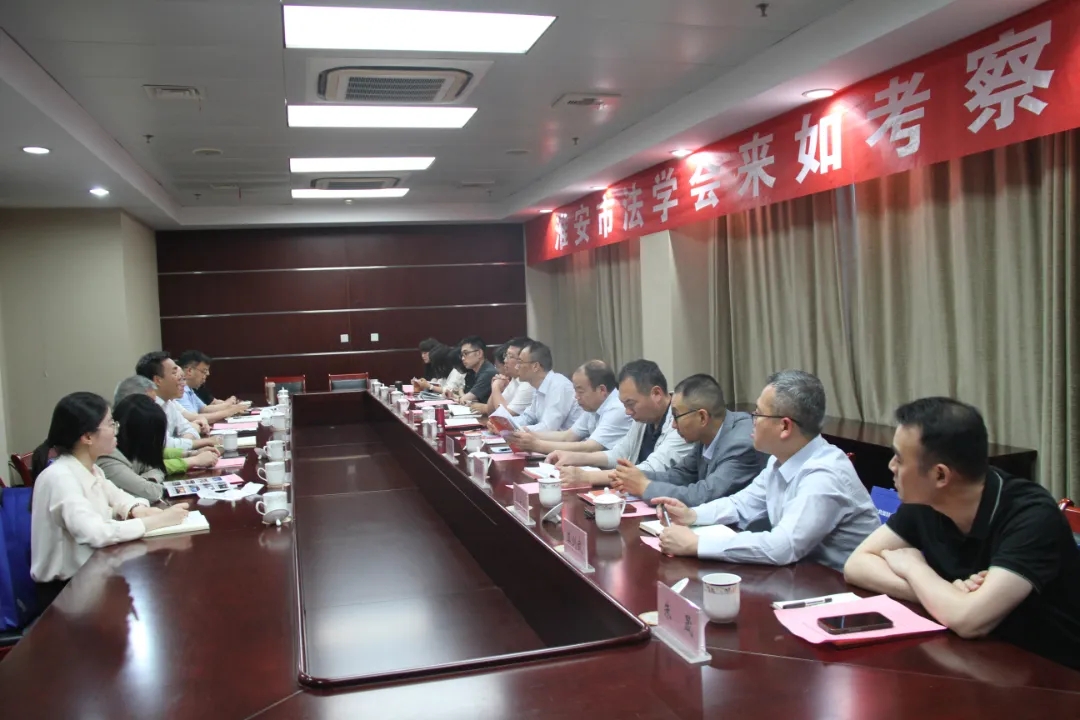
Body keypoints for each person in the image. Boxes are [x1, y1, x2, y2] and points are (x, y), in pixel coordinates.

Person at [843, 398, 1080, 670]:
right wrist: (944, 594)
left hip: (1053, 674)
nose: (891, 466)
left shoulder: (1031, 516)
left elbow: (969, 621)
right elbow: (857, 565)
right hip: (978, 660)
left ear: (940, 476)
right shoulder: (925, 500)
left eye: (899, 458)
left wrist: (915, 568)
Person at [653, 370, 879, 571]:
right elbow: (741, 504)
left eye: (758, 414)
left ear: (785, 426)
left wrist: (697, 544)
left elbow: (783, 546)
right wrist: (693, 515)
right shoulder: (780, 460)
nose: (752, 420)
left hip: (844, 590)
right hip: (803, 576)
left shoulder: (824, 474)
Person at [29, 392, 191, 610]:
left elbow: (119, 497)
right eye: (110, 424)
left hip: (92, 576)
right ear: (87, 436)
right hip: (65, 594)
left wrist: (137, 509)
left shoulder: (92, 469)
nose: (117, 429)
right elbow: (96, 533)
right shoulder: (60, 477)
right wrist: (158, 521)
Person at [610, 374, 764, 506]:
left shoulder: (740, 444)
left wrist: (645, 487)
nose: (673, 425)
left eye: (676, 416)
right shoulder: (706, 435)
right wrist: (635, 476)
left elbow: (704, 495)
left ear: (702, 417)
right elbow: (678, 476)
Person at [548, 359, 693, 487]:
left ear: (656, 394)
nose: (627, 412)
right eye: (625, 405)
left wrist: (586, 477)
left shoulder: (682, 421)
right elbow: (620, 454)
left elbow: (650, 469)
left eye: (631, 404)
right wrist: (574, 457)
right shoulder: (644, 418)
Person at [97, 395, 220, 501]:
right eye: (111, 424)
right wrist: (193, 459)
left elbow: (154, 462)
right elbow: (152, 491)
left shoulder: (131, 448)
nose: (115, 429)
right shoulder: (108, 458)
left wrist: (191, 454)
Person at [511, 360, 632, 455]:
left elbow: (590, 447)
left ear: (602, 390)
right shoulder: (593, 406)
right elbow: (567, 436)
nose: (576, 396)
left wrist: (537, 445)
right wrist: (527, 434)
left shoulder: (617, 408)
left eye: (580, 391)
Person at [113, 376, 220, 475]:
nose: (155, 407)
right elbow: (152, 469)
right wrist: (194, 460)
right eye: (149, 403)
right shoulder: (115, 442)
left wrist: (192, 453)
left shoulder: (163, 407)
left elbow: (158, 452)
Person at [135, 351, 219, 451]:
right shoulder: (146, 408)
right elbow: (165, 446)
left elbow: (189, 429)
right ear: (158, 380)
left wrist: (182, 441)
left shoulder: (168, 403)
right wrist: (206, 441)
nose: (180, 378)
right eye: (174, 373)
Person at [498, 340, 581, 432]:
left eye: (520, 362)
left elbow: (548, 428)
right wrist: (503, 424)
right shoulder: (538, 386)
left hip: (570, 440)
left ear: (535, 366)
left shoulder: (559, 386)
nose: (517, 367)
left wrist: (516, 429)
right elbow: (528, 417)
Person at [175, 350, 244, 424]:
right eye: (204, 371)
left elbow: (204, 409)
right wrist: (229, 411)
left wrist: (231, 408)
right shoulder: (179, 391)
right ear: (189, 371)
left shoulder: (189, 389)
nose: (207, 374)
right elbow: (194, 418)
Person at [485, 336, 535, 416]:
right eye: (506, 356)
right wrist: (495, 388)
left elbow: (505, 416)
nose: (505, 361)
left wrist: (495, 388)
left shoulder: (529, 384)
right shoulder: (515, 380)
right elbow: (491, 411)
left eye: (510, 356)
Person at [455, 336, 497, 404]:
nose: (462, 358)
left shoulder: (488, 373)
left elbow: (465, 400)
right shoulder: (476, 371)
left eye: (466, 353)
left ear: (479, 353)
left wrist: (456, 395)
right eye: (462, 355)